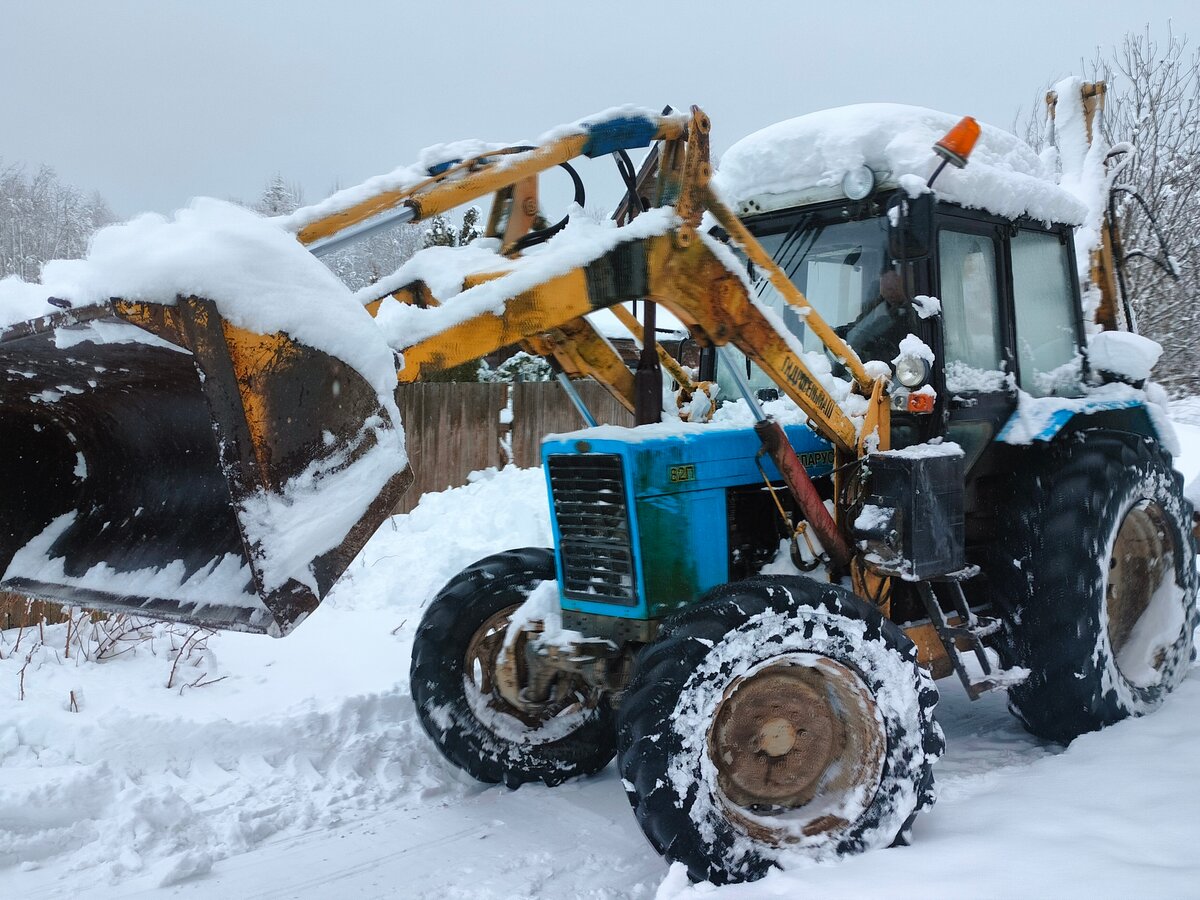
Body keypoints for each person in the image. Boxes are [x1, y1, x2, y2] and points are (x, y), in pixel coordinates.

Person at [836, 268, 910, 365]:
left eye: (893, 287)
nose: (890, 293)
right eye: (885, 287)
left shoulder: (918, 310)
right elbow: (860, 325)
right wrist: (841, 333)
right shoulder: (876, 308)